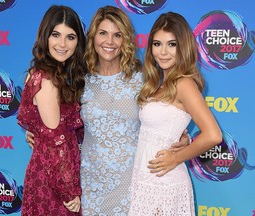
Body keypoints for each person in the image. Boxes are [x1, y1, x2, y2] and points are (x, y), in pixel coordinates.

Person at [26, 5, 190, 215]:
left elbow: (164, 119)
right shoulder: (78, 79)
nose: (109, 42)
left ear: (126, 40)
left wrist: (182, 139)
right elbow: (60, 127)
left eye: (117, 35)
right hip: (89, 185)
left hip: (132, 183)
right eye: (103, 33)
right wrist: (38, 134)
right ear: (93, 36)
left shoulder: (143, 78)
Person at [128, 12, 222, 215]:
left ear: (183, 46)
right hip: (146, 179)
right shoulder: (157, 84)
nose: (163, 52)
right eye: (157, 44)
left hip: (165, 182)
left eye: (172, 44)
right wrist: (183, 137)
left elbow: (213, 135)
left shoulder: (184, 83)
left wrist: (177, 157)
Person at [17, 5, 86, 215]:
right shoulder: (46, 80)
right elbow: (57, 142)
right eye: (56, 35)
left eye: (70, 37)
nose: (62, 44)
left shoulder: (58, 75)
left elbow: (48, 131)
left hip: (52, 173)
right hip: (53, 183)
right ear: (46, 36)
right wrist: (69, 191)